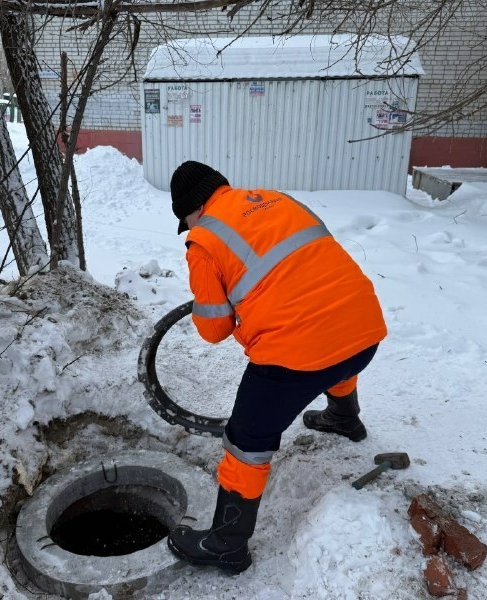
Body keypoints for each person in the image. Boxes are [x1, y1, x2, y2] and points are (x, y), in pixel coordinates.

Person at [166, 160, 387, 573]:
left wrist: (221, 301)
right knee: (332, 347)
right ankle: (344, 417)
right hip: (363, 332)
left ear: (192, 210)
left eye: (185, 219)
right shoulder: (277, 199)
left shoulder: (203, 240)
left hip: (296, 358)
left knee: (246, 438)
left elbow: (213, 329)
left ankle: (227, 544)